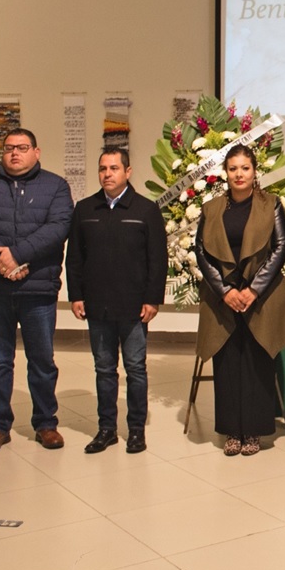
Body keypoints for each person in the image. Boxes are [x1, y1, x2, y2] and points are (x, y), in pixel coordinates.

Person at [0, 128, 73, 453]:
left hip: (38, 288)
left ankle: (46, 423)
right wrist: (1, 257)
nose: (14, 153)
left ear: (36, 151)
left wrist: (17, 255)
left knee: (41, 360)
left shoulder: (55, 186)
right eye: (9, 148)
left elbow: (58, 227)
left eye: (22, 148)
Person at [195, 144, 285, 456]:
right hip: (222, 299)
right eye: (233, 168)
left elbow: (281, 247)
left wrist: (253, 289)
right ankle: (232, 431)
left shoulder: (271, 205)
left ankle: (254, 431)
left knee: (257, 363)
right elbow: (201, 250)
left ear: (255, 171)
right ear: (225, 173)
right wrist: (225, 290)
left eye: (245, 168)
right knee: (227, 363)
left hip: (261, 297)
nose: (239, 174)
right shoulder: (212, 208)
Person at [66, 148, 167, 455]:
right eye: (102, 169)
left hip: (134, 308)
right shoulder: (85, 209)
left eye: (113, 168)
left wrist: (153, 300)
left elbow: (157, 260)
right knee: (104, 369)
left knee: (135, 369)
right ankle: (106, 429)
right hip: (97, 306)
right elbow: (74, 258)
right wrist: (76, 295)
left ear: (128, 171)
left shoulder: (146, 210)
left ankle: (136, 430)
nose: (107, 174)